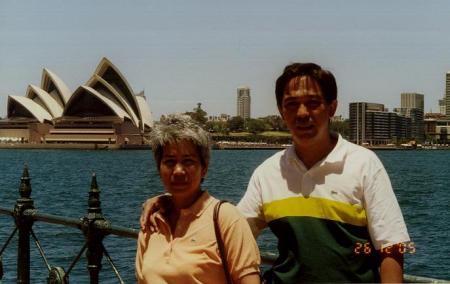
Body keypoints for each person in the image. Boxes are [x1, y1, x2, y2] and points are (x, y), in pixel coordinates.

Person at [141, 63, 410, 283]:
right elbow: (231, 229)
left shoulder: (363, 164)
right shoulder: (268, 172)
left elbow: (391, 249)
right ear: (282, 111)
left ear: (332, 108)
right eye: (291, 104)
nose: (302, 113)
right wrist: (170, 202)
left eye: (313, 102)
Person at [135, 114, 261, 284]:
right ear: (159, 168)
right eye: (170, 162)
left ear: (204, 169)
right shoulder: (151, 221)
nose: (178, 170)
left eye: (188, 161)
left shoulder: (226, 219)